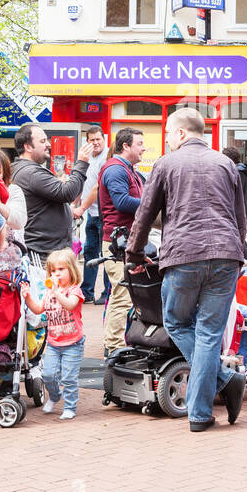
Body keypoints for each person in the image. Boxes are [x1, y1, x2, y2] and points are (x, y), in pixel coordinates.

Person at [127, 108, 247, 433]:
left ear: (181, 133)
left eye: (168, 133)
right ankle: (201, 411)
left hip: (183, 255)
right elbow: (240, 219)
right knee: (209, 334)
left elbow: (144, 213)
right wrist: (237, 257)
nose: (166, 140)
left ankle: (222, 385)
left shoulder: (166, 164)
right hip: (225, 256)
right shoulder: (225, 163)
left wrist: (134, 255)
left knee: (177, 323)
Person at [10, 124, 92, 265]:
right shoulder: (31, 173)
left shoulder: (24, 170)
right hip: (43, 253)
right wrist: (82, 163)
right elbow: (67, 192)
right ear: (28, 147)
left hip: (45, 250)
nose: (48, 144)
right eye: (42, 141)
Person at [19, 248, 85, 421]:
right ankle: (55, 396)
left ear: (71, 270)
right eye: (53, 270)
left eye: (61, 269)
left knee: (69, 378)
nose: (56, 274)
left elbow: (70, 305)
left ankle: (70, 407)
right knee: (48, 374)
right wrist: (27, 298)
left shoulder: (74, 290)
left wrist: (57, 292)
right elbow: (38, 309)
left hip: (73, 343)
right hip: (54, 344)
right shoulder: (48, 293)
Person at [98, 127, 146, 357]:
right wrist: (151, 203)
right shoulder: (116, 170)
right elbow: (122, 202)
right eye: (139, 143)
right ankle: (114, 347)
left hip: (125, 242)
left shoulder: (127, 170)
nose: (143, 148)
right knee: (122, 295)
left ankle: (118, 342)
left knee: (126, 294)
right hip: (117, 244)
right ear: (125, 146)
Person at [72, 126, 111, 305]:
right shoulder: (88, 159)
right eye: (91, 140)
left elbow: (97, 188)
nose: (95, 143)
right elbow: (82, 184)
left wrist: (80, 209)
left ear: (104, 139)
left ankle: (107, 293)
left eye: (98, 139)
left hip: (104, 214)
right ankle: (86, 292)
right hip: (91, 214)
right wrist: (75, 203)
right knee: (89, 253)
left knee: (106, 254)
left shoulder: (106, 158)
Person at [221, 146, 247, 263]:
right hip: (243, 209)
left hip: (238, 212)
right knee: (246, 240)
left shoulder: (235, 172)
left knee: (242, 242)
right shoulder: (243, 171)